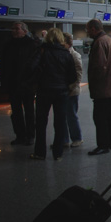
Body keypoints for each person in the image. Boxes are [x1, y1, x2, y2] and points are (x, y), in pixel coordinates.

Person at [29, 29, 77, 161]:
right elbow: (73, 76)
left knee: (41, 122)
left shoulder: (42, 51)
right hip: (61, 92)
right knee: (60, 122)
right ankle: (58, 153)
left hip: (44, 90)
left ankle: (40, 152)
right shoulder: (66, 54)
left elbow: (31, 67)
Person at [0, 21, 39, 146]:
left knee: (29, 111)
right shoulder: (8, 45)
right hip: (13, 84)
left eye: (17, 29)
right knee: (16, 112)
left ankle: (30, 135)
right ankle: (20, 135)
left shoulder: (32, 45)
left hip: (27, 84)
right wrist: (3, 81)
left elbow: (36, 65)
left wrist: (32, 82)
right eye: (13, 29)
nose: (14, 31)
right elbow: (3, 64)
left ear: (24, 31)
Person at [86, 19, 111, 156]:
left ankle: (103, 144)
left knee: (100, 117)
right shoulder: (109, 40)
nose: (87, 32)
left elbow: (99, 66)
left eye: (88, 29)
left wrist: (94, 82)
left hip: (103, 87)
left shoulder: (99, 42)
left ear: (93, 29)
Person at [62, 32, 83, 148]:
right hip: (63, 89)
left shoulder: (75, 55)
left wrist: (72, 87)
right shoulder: (62, 54)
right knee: (62, 116)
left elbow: (78, 74)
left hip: (72, 91)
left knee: (71, 115)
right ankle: (64, 139)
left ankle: (77, 138)